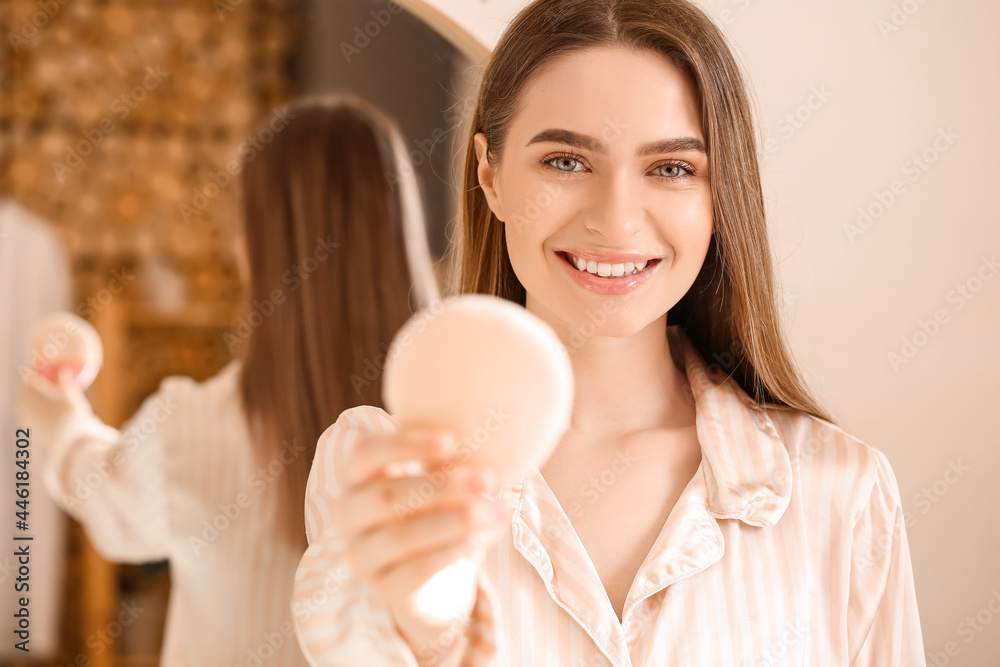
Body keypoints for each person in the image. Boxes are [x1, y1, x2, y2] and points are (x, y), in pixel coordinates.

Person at [290, 1, 927, 665]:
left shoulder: (842, 491)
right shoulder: (376, 471)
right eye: (566, 161)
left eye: (671, 168)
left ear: (719, 196)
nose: (617, 222)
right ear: (490, 176)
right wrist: (427, 627)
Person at [17, 93, 440, 666]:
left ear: (259, 245)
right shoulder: (451, 434)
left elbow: (111, 506)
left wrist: (62, 419)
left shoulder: (192, 427)